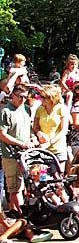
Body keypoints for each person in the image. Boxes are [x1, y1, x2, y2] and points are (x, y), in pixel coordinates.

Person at [0, 84, 37, 213]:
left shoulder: (26, 109)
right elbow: (2, 135)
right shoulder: (6, 111)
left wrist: (33, 138)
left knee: (24, 186)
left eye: (25, 97)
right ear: (13, 95)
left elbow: (29, 130)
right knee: (14, 187)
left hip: (26, 155)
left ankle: (15, 213)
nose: (22, 100)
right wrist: (20, 143)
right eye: (19, 96)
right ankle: (22, 214)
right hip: (11, 155)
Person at [33, 84, 70, 170]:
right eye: (41, 96)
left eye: (44, 97)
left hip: (58, 148)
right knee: (43, 176)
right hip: (42, 148)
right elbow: (35, 127)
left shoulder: (61, 109)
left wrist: (49, 143)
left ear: (51, 98)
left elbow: (64, 130)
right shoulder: (40, 109)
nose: (41, 99)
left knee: (58, 178)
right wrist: (39, 133)